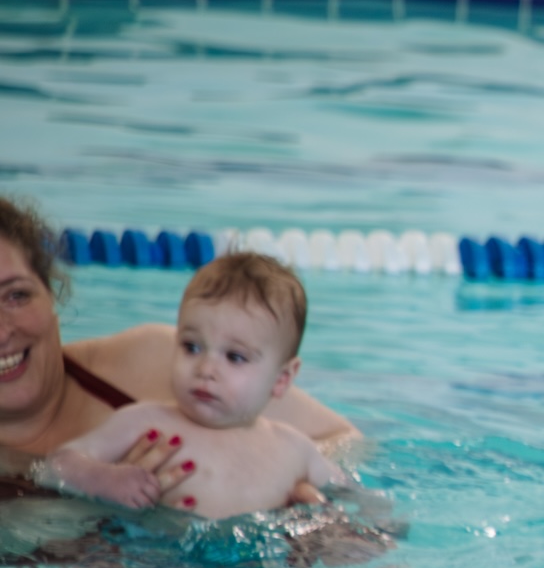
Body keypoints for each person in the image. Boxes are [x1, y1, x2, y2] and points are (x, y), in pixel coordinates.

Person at [0, 194, 354, 496]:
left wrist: (279, 482)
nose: (2, 333)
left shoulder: (166, 361)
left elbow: (346, 441)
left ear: (52, 295)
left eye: (16, 295)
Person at [46, 252, 347, 519]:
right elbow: (55, 466)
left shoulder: (295, 449)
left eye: (234, 357)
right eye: (192, 347)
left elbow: (353, 495)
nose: (206, 369)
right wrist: (102, 478)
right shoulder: (143, 420)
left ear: (282, 379)